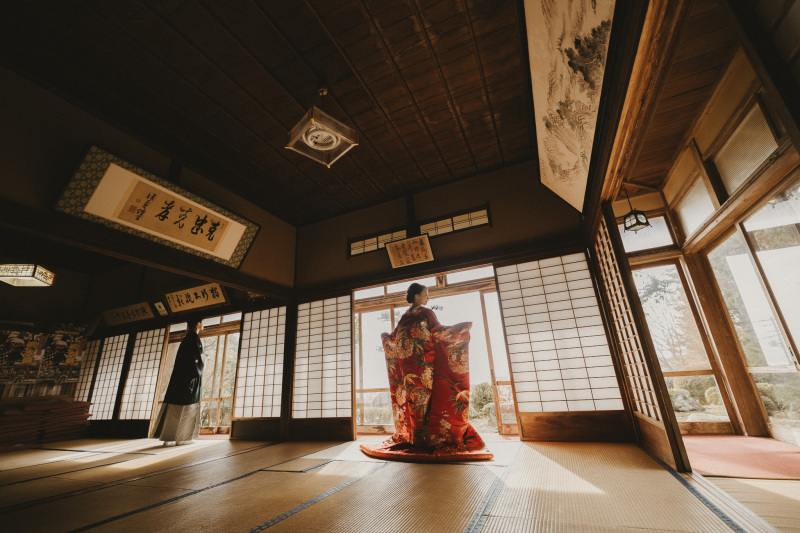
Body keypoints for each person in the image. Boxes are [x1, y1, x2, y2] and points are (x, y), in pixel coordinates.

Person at [360, 283, 492, 461]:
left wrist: (387, 338)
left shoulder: (405, 317)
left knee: (419, 400)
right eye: (425, 293)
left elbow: (396, 337)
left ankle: (421, 439)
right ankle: (422, 439)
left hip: (412, 366)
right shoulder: (425, 313)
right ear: (416, 296)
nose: (427, 297)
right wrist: (459, 330)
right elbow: (438, 332)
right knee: (420, 400)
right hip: (421, 365)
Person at [153, 318, 205, 446]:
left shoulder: (187, 338)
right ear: (198, 323)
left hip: (179, 379)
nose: (203, 325)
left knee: (173, 409)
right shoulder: (194, 338)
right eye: (202, 322)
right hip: (188, 379)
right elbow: (197, 361)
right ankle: (182, 438)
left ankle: (168, 437)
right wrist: (204, 361)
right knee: (186, 410)